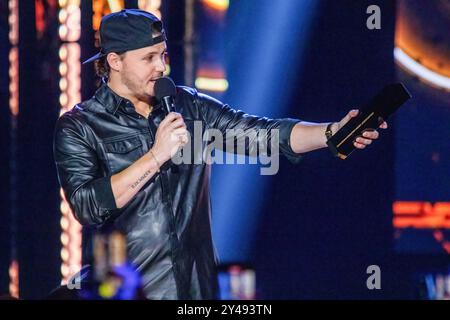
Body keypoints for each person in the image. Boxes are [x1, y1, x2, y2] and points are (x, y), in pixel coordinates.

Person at [53, 9, 387, 300]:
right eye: (148, 58)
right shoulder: (80, 127)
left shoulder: (189, 106)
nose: (161, 67)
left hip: (195, 291)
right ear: (114, 61)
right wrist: (156, 156)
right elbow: (88, 206)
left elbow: (263, 134)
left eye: (164, 55)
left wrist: (333, 132)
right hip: (129, 292)